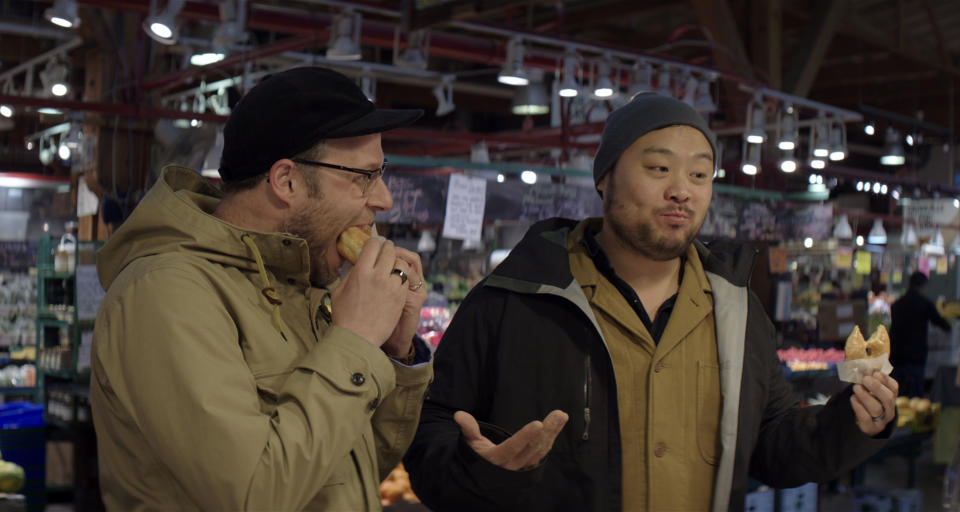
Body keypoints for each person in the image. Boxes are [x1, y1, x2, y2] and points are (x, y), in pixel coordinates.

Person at [403, 93, 898, 512]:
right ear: (605, 177)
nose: (681, 191)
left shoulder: (736, 310)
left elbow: (770, 440)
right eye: (659, 168)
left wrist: (851, 422)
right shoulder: (514, 299)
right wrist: (480, 471)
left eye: (700, 176)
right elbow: (429, 430)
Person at [90, 67, 433, 511]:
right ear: (286, 181)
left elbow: (348, 470)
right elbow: (254, 494)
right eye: (363, 176)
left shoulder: (297, 289)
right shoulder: (167, 292)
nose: (384, 199)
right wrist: (355, 342)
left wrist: (391, 351)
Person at [890, 271, 951, 397]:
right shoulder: (925, 304)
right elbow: (940, 323)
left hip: (897, 356)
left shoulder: (897, 305)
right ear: (923, 285)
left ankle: (896, 416)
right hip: (915, 356)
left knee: (896, 394)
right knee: (916, 394)